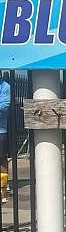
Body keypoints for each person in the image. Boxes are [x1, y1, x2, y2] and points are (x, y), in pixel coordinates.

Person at [0, 73, 10, 203]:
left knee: (2, 158)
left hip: (1, 129)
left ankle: (3, 185)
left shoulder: (5, 86)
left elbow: (4, 106)